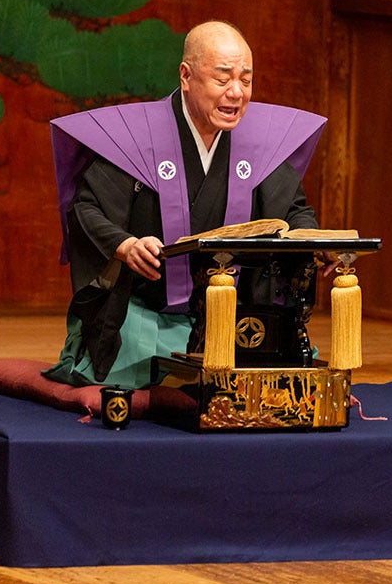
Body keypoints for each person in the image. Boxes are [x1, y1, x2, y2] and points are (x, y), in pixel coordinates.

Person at [44, 21, 326, 389]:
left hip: (232, 318)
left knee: (282, 374)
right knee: (139, 381)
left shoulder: (260, 142)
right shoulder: (137, 136)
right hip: (145, 313)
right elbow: (87, 209)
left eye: (246, 80)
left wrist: (315, 242)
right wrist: (126, 246)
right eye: (222, 78)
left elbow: (294, 211)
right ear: (186, 76)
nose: (236, 93)